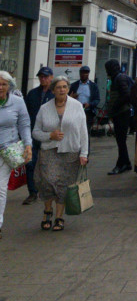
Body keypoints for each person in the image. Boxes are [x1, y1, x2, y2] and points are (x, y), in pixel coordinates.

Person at [32, 76, 88, 232]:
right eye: (58, 87)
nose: (62, 89)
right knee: (47, 182)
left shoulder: (77, 106)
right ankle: (47, 210)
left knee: (64, 186)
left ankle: (59, 217)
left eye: (65, 86)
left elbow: (83, 132)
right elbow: (35, 132)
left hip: (70, 152)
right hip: (49, 151)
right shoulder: (44, 108)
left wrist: (84, 153)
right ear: (53, 90)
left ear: (68, 89)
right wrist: (50, 136)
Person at [0, 71, 32, 240]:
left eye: (4, 84)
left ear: (9, 86)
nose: (0, 87)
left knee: (0, 188)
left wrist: (28, 145)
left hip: (6, 150)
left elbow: (25, 125)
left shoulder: (18, 102)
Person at [22, 66, 54, 205]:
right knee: (30, 163)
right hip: (33, 133)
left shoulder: (55, 94)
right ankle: (32, 192)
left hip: (49, 135)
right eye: (41, 76)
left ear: (51, 77)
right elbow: (26, 114)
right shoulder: (33, 93)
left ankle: (49, 190)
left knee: (48, 164)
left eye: (46, 76)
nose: (43, 79)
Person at [104, 59, 133, 175]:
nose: (106, 71)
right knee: (121, 140)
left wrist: (115, 107)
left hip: (121, 113)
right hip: (120, 113)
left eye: (107, 68)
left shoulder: (119, 78)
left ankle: (121, 164)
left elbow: (126, 95)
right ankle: (125, 162)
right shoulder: (117, 78)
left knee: (121, 140)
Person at [69, 66, 100, 137]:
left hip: (88, 112)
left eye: (86, 73)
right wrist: (72, 97)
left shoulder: (93, 86)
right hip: (75, 112)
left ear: (88, 74)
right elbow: (67, 98)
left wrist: (90, 104)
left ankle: (86, 148)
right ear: (80, 74)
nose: (84, 74)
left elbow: (97, 99)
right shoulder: (74, 85)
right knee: (75, 132)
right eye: (82, 73)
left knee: (85, 133)